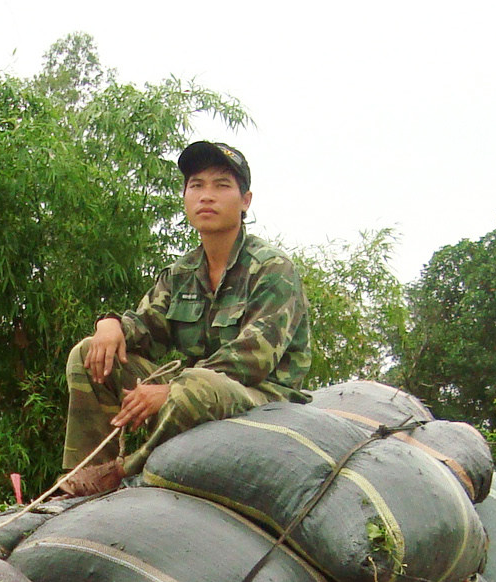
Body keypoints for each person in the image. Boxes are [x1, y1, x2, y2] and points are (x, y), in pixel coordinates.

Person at [58, 141, 312, 496]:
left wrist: (172, 388)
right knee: (89, 354)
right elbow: (145, 326)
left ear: (245, 201)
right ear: (185, 197)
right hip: (196, 391)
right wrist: (110, 325)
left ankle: (123, 472)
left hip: (264, 399)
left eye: (221, 185)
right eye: (196, 185)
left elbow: (254, 357)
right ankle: (81, 477)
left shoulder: (272, 269)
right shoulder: (183, 272)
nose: (206, 196)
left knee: (195, 386)